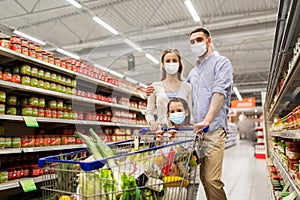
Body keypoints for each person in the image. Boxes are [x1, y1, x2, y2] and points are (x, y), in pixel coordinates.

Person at [147, 27, 233, 200]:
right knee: (197, 179)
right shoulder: (194, 73)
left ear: (209, 41)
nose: (195, 44)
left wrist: (207, 121)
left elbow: (220, 92)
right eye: (192, 42)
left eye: (199, 40)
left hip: (213, 130)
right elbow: (178, 94)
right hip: (193, 134)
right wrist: (153, 91)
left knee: (211, 179)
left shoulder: (221, 63)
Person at [156, 97, 199, 200]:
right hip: (170, 179)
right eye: (172, 111)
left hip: (190, 178)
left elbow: (193, 156)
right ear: (168, 115)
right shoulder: (166, 132)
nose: (176, 113)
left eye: (179, 110)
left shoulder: (193, 132)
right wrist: (159, 143)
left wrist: (176, 141)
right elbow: (162, 159)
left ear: (186, 112)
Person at [145, 49, 193, 132]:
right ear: (163, 65)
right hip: (162, 132)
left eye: (174, 60)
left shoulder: (187, 87)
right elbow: (149, 113)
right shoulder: (154, 87)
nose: (171, 63)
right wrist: (152, 122)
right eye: (168, 61)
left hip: (183, 133)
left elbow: (191, 112)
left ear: (179, 64)